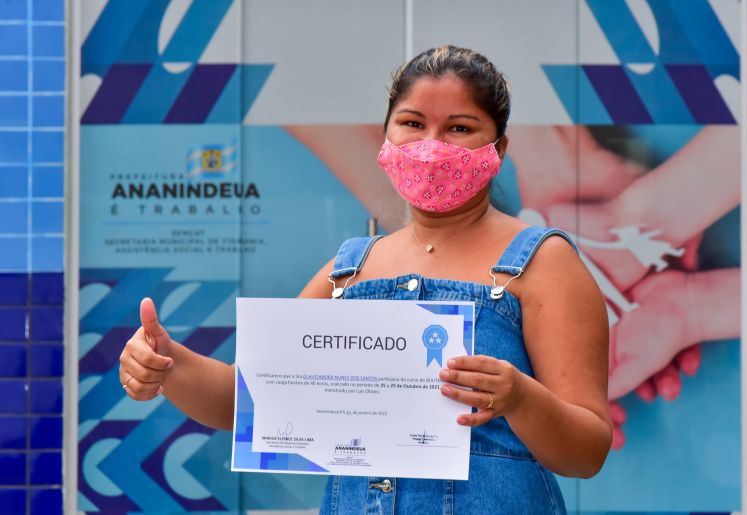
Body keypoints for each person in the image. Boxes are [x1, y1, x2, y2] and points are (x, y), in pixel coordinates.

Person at [119, 45, 612, 514]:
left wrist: (521, 397)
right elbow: (249, 400)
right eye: (412, 123)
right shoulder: (350, 269)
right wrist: (167, 365)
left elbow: (587, 452)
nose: (431, 147)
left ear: (497, 148)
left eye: (459, 127)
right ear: (386, 136)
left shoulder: (542, 261)